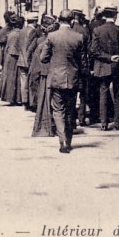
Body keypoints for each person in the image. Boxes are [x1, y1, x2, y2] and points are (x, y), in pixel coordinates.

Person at [40, 9, 86, 153]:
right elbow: (83, 61)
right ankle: (69, 139)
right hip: (73, 79)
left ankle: (63, 141)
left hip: (56, 78)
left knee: (58, 110)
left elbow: (43, 58)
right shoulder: (79, 37)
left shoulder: (52, 36)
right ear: (72, 21)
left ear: (59, 21)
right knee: (70, 110)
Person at [89, 6, 119, 130]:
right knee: (118, 94)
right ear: (115, 16)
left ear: (104, 16)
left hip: (103, 66)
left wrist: (108, 57)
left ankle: (104, 123)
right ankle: (117, 122)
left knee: (103, 93)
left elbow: (93, 50)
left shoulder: (97, 30)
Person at [31, 15, 58, 136]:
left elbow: (35, 67)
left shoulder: (41, 44)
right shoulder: (59, 43)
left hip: (45, 77)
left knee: (45, 103)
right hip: (58, 76)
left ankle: (47, 128)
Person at [0, 15, 24, 104]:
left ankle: (10, 97)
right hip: (17, 56)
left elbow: (1, 41)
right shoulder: (21, 33)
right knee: (16, 77)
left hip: (9, 55)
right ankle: (17, 98)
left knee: (10, 77)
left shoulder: (10, 33)